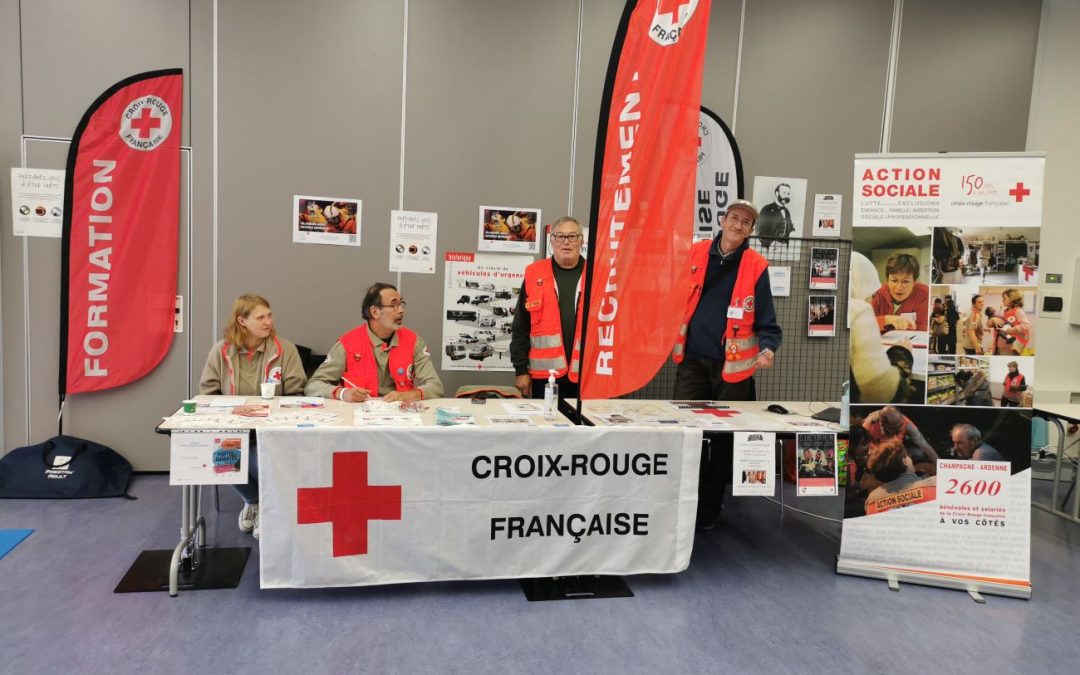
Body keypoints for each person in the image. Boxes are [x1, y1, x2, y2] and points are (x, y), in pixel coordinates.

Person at [672, 199, 782, 529]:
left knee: (722, 440)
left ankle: (708, 507)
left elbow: (768, 323)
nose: (738, 225)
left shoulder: (756, 266)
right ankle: (680, 502)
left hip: (732, 371)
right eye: (733, 218)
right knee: (685, 432)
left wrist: (768, 348)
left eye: (746, 222)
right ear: (722, 220)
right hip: (691, 361)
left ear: (751, 230)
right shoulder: (694, 253)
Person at [199, 293, 307, 539]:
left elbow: (297, 393)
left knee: (259, 459)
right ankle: (254, 503)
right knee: (222, 457)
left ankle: (269, 507)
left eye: (269, 315)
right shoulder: (221, 351)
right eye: (260, 317)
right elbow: (207, 394)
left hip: (272, 429)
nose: (268, 322)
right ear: (242, 321)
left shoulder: (285, 349)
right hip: (233, 427)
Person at [306, 282, 443, 403]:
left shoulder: (413, 341)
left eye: (401, 304)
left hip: (401, 416)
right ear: (375, 312)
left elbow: (436, 386)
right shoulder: (348, 343)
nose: (401, 310)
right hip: (358, 419)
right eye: (394, 305)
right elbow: (313, 385)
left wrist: (406, 396)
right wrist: (342, 393)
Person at [510, 217, 585, 399]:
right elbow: (521, 326)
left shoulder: (598, 275)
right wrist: (521, 370)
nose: (566, 242)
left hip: (586, 376)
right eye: (560, 236)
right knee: (546, 425)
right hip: (544, 378)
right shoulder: (534, 274)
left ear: (581, 241)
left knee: (586, 426)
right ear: (552, 241)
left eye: (572, 236)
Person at [849, 253, 916, 404]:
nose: (872, 299)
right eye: (872, 293)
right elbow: (884, 392)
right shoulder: (858, 309)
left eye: (906, 281)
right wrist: (901, 353)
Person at [863, 438, 938, 515]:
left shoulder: (871, 501)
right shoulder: (935, 485)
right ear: (904, 460)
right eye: (908, 455)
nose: (911, 459)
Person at [870, 253, 930, 332]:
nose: (899, 287)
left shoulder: (924, 293)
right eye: (894, 281)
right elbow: (863, 324)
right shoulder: (878, 293)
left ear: (914, 281)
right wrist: (885, 320)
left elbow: (923, 329)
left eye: (905, 281)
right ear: (887, 280)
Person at [755, 183, 795, 253]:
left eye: (788, 193)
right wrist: (770, 243)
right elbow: (759, 231)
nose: (786, 196)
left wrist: (793, 232)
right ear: (777, 193)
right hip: (770, 248)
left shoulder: (787, 211)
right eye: (784, 193)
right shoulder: (766, 209)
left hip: (785, 248)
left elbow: (790, 227)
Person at [995, 288, 1031, 355]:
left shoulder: (1018, 311)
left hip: (1012, 345)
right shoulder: (1006, 311)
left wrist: (1009, 330)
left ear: (1012, 299)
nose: (1002, 300)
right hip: (1004, 344)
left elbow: (1026, 325)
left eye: (1005, 298)